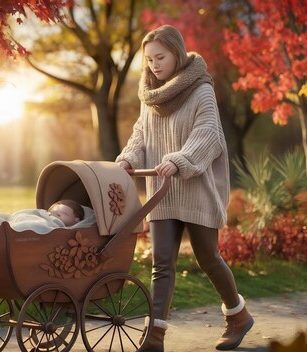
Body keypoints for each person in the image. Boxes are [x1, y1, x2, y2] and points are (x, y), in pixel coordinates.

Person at [116, 24, 253, 351]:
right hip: (162, 193)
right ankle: (155, 336)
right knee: (161, 264)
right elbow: (141, 134)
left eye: (160, 57)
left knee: (208, 258)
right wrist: (127, 159)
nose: (154, 65)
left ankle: (238, 315)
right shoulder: (148, 95)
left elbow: (207, 135)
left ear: (177, 53)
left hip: (194, 189)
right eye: (149, 59)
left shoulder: (200, 90)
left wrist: (179, 159)